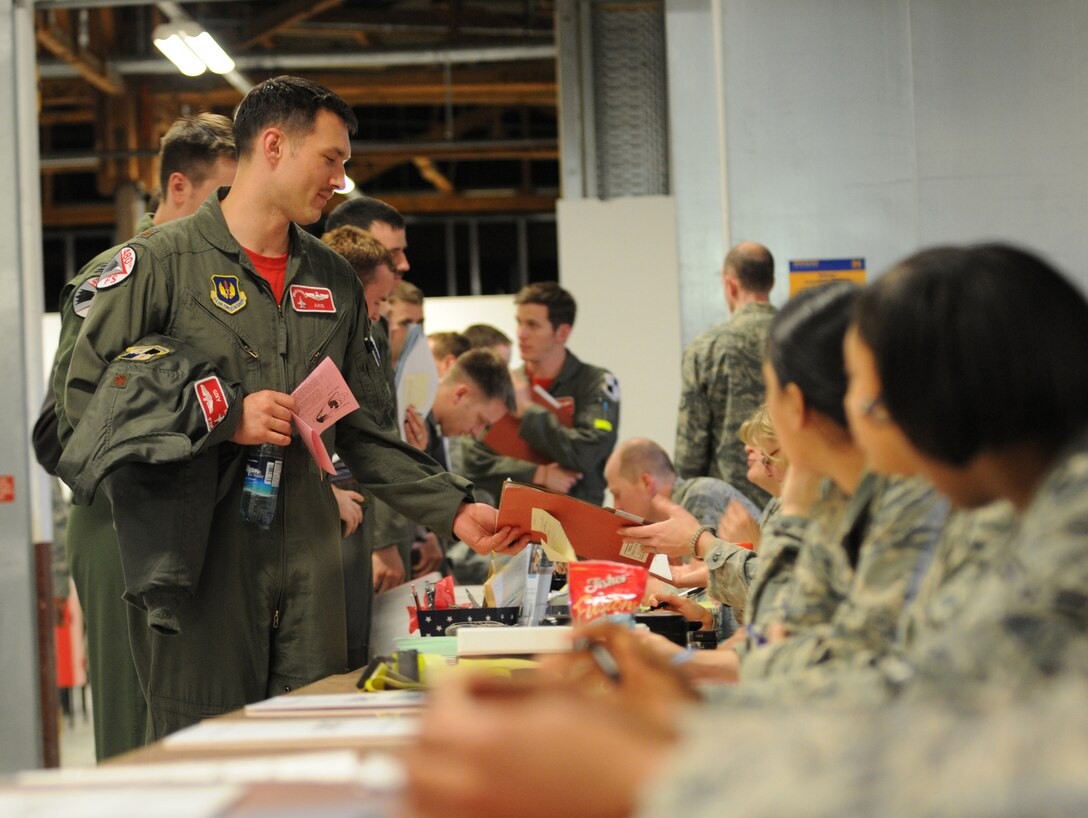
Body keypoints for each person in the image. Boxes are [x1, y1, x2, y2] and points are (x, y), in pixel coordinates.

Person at [406, 242, 1088, 818]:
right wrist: (690, 707)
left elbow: (980, 746)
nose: (868, 422)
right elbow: (917, 692)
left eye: (878, 399)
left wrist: (661, 766)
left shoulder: (1054, 507)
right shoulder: (1021, 501)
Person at [61, 76, 521, 738]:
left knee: (315, 751)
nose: (340, 180)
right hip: (200, 561)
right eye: (330, 159)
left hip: (309, 559)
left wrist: (455, 506)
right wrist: (220, 417)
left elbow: (362, 430)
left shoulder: (332, 279)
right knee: (206, 760)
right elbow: (87, 407)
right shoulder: (158, 267)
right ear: (273, 145)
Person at [620, 283, 947, 680]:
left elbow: (819, 665)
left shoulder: (906, 502)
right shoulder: (832, 494)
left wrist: (703, 541)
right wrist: (681, 664)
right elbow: (778, 638)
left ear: (795, 406)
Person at [42, 113, 237, 760]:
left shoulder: (207, 276)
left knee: (190, 729)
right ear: (179, 188)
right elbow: (71, 422)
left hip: (190, 513)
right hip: (122, 517)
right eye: (222, 197)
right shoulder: (120, 274)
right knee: (137, 727)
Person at [462, 282, 620, 504]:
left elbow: (587, 452)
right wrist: (537, 474)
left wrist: (528, 412)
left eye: (533, 325)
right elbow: (472, 460)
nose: (521, 334)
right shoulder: (504, 383)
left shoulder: (598, 384)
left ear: (562, 333)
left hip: (576, 520)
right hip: (514, 521)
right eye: (519, 322)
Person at [675, 242, 777, 507]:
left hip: (729, 507)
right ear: (771, 282)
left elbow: (692, 443)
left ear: (730, 285)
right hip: (794, 497)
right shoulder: (801, 337)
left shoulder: (706, 347)